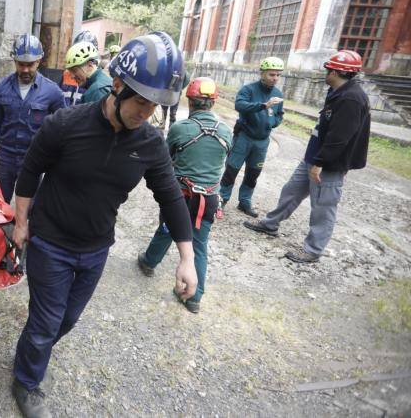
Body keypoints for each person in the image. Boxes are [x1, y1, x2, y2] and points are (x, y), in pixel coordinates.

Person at [9, 32, 198, 417]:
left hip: (96, 250)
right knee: (46, 323)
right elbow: (30, 171)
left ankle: (31, 347)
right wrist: (20, 222)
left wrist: (187, 257)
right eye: (142, 101)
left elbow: (171, 198)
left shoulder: (149, 143)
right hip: (50, 243)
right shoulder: (66, 124)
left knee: (66, 320)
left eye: (156, 106)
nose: (146, 113)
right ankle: (26, 381)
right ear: (117, 86)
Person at [244, 50, 371, 264]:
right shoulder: (338, 91)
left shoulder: (351, 98)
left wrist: (320, 163)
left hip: (328, 164)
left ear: (337, 72)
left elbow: (340, 138)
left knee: (323, 206)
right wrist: (313, 159)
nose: (326, 73)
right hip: (314, 158)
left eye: (328, 69)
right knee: (291, 191)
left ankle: (313, 249)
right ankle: (270, 224)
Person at [138, 77, 232, 314]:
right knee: (199, 245)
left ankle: (149, 262)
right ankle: (194, 298)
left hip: (181, 194)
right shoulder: (225, 132)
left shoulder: (181, 129)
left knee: (168, 230)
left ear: (189, 101)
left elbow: (166, 159)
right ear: (213, 103)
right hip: (208, 198)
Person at [0, 34, 63, 203]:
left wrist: (56, 156)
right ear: (15, 61)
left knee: (30, 205)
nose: (26, 69)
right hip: (6, 157)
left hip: (33, 158)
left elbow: (62, 126)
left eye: (30, 64)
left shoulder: (52, 92)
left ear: (39, 61)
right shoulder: (2, 88)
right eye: (21, 64)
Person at [218, 57, 285, 217]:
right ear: (262, 73)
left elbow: (280, 114)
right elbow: (239, 105)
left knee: (254, 172)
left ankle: (245, 201)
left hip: (262, 141)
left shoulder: (277, 93)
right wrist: (263, 105)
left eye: (278, 75)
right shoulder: (249, 89)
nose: (275, 78)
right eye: (271, 74)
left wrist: (273, 122)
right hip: (244, 136)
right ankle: (222, 199)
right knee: (231, 169)